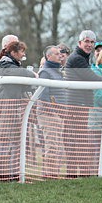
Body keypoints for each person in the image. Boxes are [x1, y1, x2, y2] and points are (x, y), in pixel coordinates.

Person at [63, 30, 102, 177]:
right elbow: (92, 78)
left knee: (80, 143)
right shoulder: (77, 58)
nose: (89, 45)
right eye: (86, 41)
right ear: (79, 43)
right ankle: (75, 176)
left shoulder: (84, 58)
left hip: (82, 105)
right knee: (77, 142)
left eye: (91, 42)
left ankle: (81, 176)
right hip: (77, 106)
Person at [0, 40, 36, 180]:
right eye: (21, 51)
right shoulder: (5, 65)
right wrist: (32, 74)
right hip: (4, 107)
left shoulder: (13, 65)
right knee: (4, 140)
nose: (23, 54)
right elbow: (18, 73)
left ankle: (13, 174)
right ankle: (3, 176)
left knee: (14, 141)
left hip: (11, 106)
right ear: (13, 52)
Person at [36, 45, 66, 178]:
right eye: (57, 54)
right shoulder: (45, 72)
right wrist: (53, 112)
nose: (60, 56)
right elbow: (43, 96)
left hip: (58, 115)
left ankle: (54, 175)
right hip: (49, 114)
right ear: (49, 56)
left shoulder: (57, 71)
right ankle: (50, 176)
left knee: (58, 147)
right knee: (52, 147)